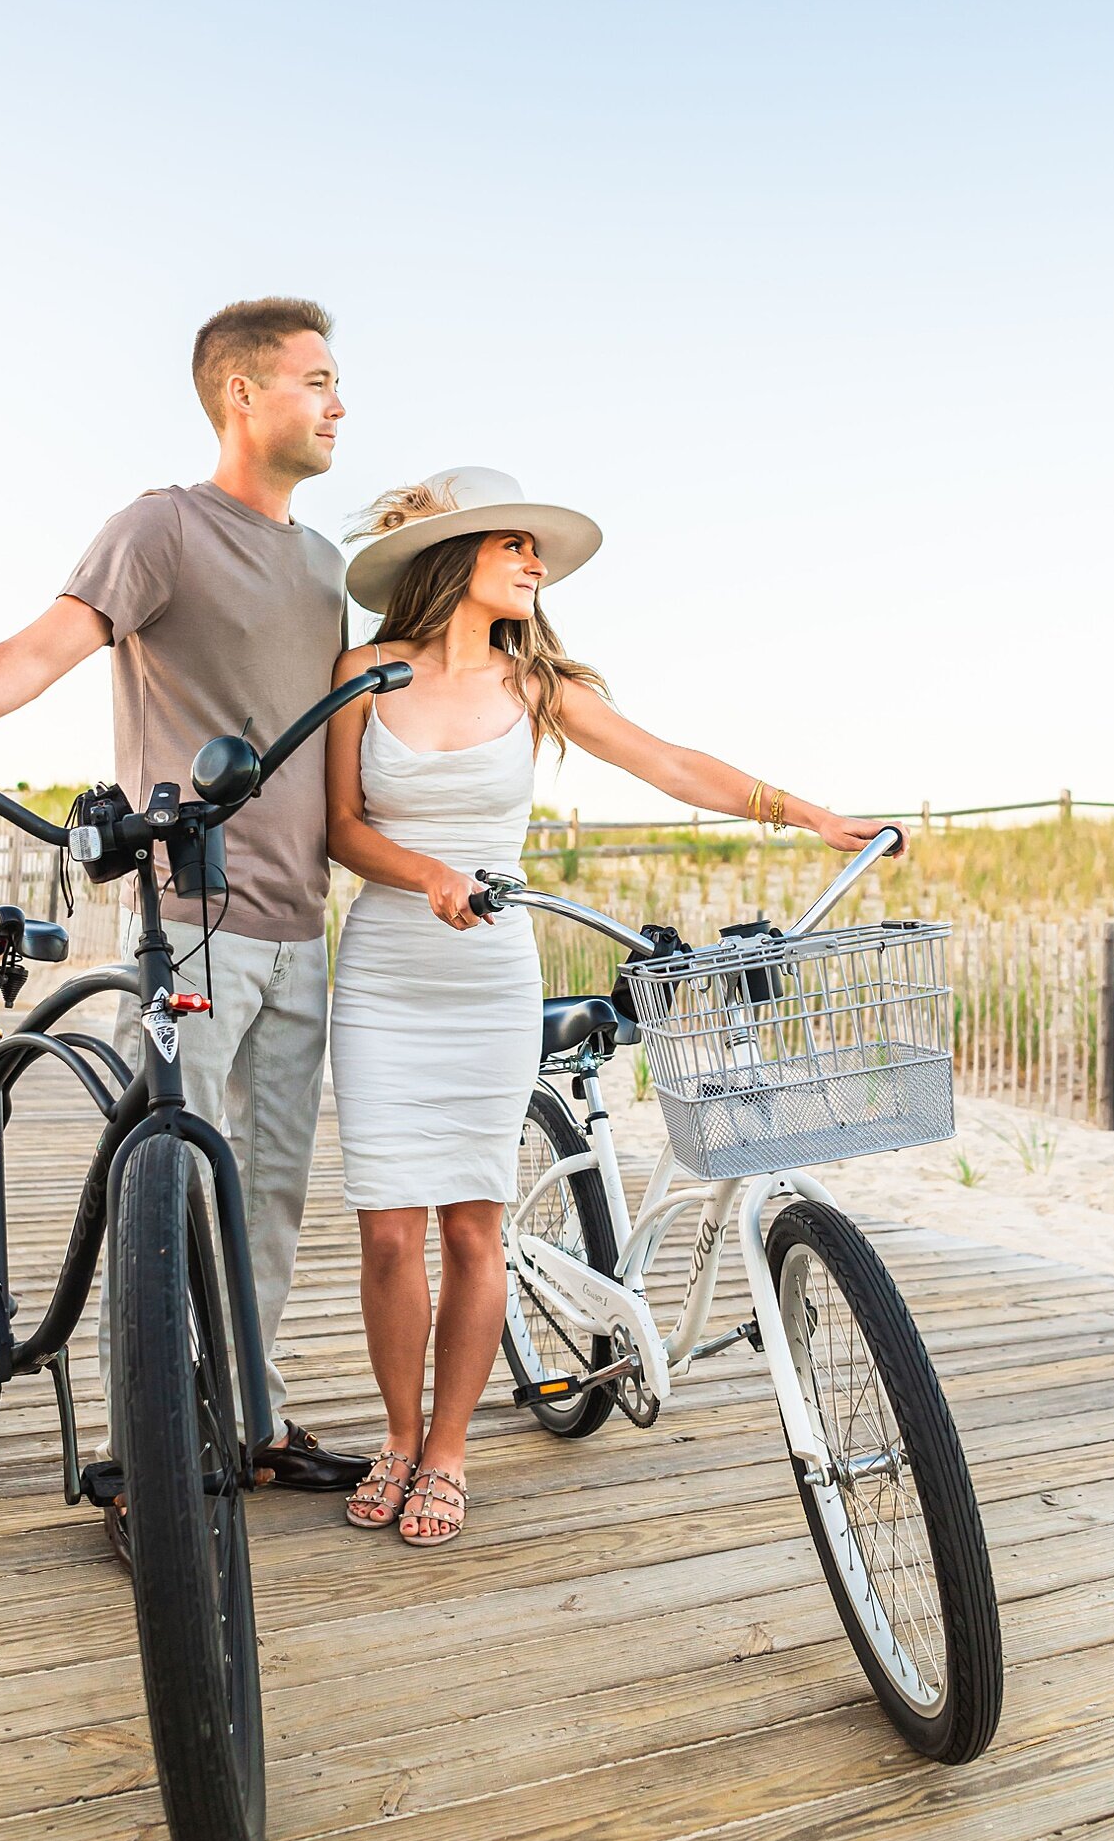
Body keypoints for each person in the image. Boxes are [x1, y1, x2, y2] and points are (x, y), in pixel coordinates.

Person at [0, 296, 373, 1565]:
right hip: (190, 916)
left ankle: (247, 1418)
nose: (340, 402)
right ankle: (144, 1454)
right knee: (170, 1184)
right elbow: (37, 651)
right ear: (243, 393)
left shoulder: (329, 567)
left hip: (303, 923)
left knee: (267, 1199)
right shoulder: (162, 527)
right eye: (319, 379)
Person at [325, 467, 906, 1547]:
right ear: (457, 556)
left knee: (471, 1223)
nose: (537, 566)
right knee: (388, 1232)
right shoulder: (364, 672)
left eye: (537, 553)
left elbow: (670, 760)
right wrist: (425, 872)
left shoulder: (537, 684)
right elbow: (342, 828)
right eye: (517, 547)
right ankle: (397, 1440)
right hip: (388, 972)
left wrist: (808, 812)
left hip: (489, 977)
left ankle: (448, 1452)